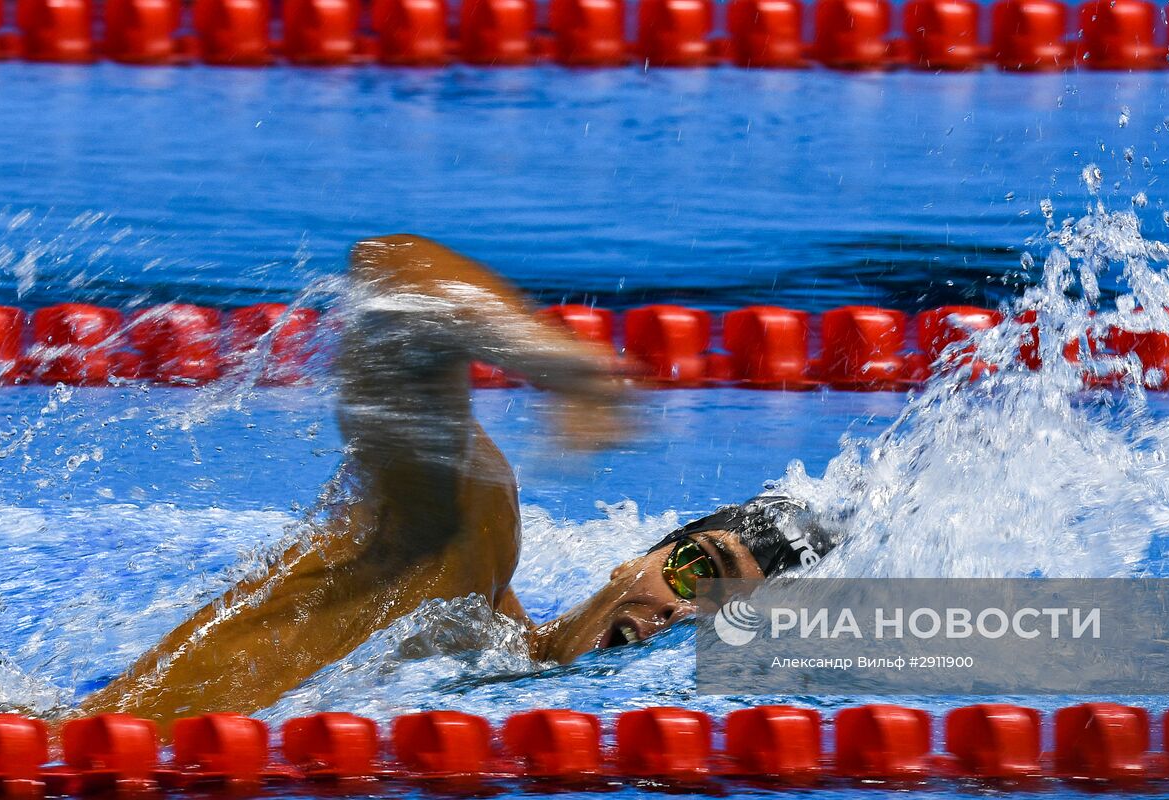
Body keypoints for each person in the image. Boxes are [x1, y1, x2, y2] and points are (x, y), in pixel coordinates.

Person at [80, 235, 834, 726]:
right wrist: (565, 366)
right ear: (634, 558)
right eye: (697, 570)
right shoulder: (461, 553)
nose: (681, 615)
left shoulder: (506, 699)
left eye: (719, 617)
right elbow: (393, 275)